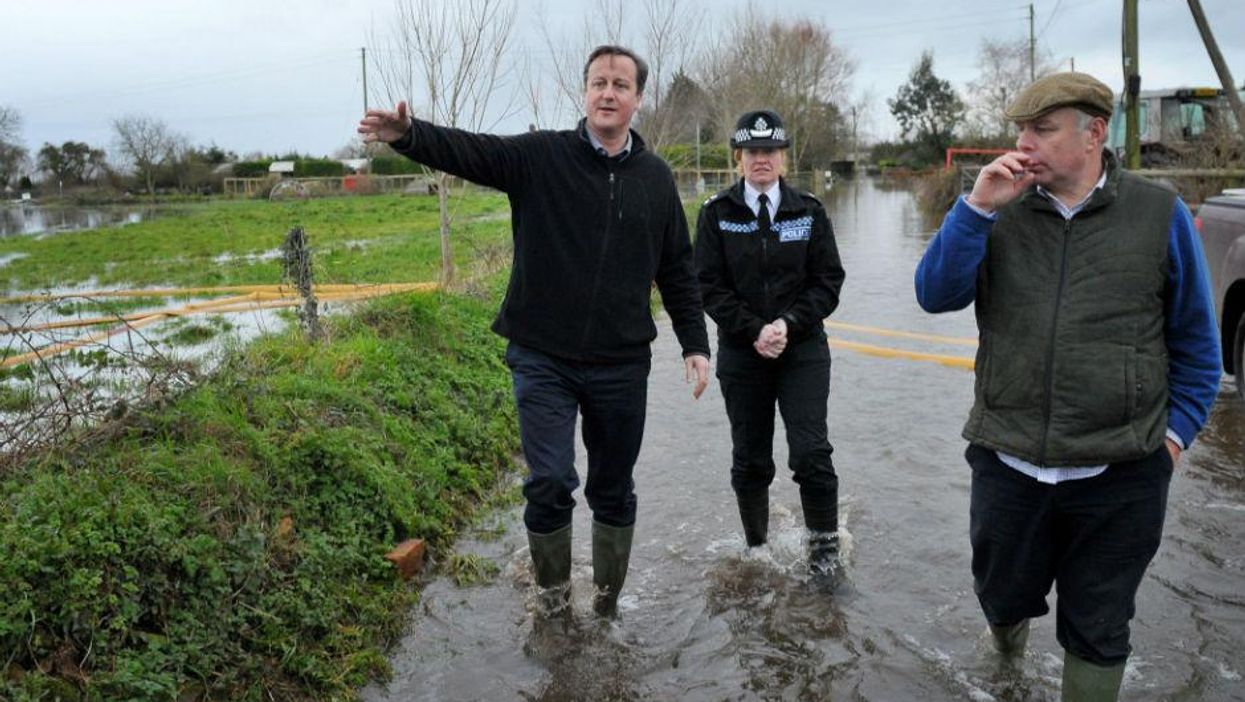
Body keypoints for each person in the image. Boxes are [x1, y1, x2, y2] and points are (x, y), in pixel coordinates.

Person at [357, 45, 711, 619]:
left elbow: (676, 267)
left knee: (614, 489)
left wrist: (695, 344)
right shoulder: (542, 156)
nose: (608, 93)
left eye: (621, 85)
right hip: (543, 354)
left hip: (621, 362)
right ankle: (551, 604)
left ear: (638, 100)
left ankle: (605, 606)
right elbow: (473, 152)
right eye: (599, 82)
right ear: (585, 91)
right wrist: (409, 135)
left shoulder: (655, 178)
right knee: (549, 479)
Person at [914, 72, 1221, 700]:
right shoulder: (996, 211)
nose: (1024, 144)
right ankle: (1007, 658)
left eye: (1043, 130)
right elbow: (933, 294)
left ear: (1094, 133)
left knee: (1101, 627)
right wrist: (974, 209)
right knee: (1002, 596)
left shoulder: (1159, 216)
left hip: (1122, 470)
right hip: (1008, 458)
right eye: (1020, 130)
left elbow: (1198, 349)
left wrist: (1172, 441)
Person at [694, 110, 846, 583]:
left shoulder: (810, 211)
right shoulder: (716, 214)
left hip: (802, 350)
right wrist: (753, 330)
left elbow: (828, 282)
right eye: (752, 151)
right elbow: (707, 287)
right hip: (743, 354)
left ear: (784, 157)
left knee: (810, 453)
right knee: (751, 458)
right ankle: (757, 549)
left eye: (771, 151)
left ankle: (824, 557)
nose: (762, 159)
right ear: (739, 157)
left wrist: (787, 322)